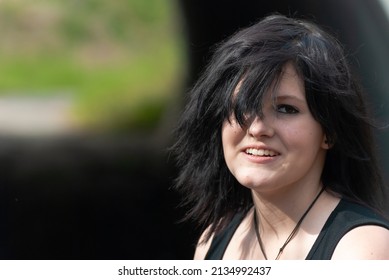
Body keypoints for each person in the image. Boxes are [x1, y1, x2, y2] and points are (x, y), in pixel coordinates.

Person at [172, 14, 389, 259]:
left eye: (286, 109)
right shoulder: (212, 242)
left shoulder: (362, 249)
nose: (257, 128)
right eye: (243, 105)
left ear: (329, 132)